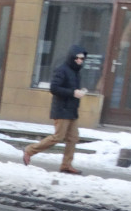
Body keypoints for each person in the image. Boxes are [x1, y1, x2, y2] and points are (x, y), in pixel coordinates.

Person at [23, 44, 88, 174]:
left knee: (73, 138)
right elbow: (54, 88)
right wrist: (73, 93)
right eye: (78, 58)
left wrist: (78, 92)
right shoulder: (62, 70)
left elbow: (70, 89)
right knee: (58, 137)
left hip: (72, 110)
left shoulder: (76, 72)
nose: (80, 61)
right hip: (62, 109)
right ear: (72, 57)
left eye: (82, 59)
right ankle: (30, 150)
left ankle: (66, 165)